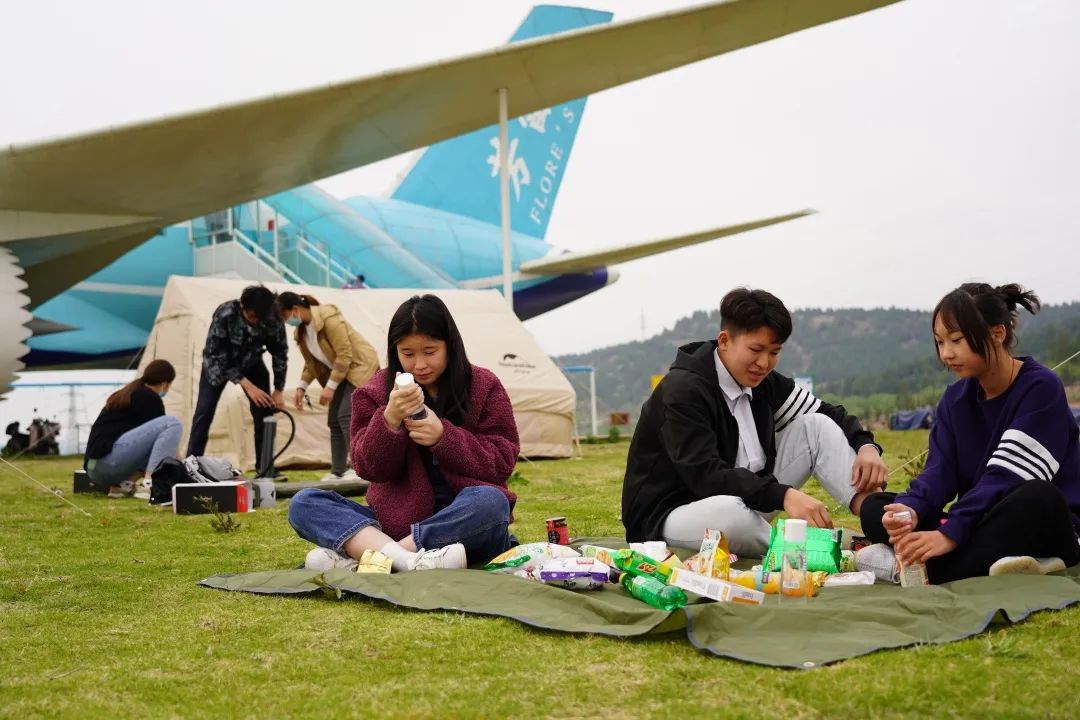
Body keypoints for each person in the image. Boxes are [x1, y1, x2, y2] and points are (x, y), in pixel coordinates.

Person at [622, 288, 888, 557]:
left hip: (746, 498)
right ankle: (815, 556)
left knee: (815, 427)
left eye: (774, 352)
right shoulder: (684, 391)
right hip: (672, 514)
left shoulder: (763, 382)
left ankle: (882, 520)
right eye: (756, 349)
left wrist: (866, 447)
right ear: (724, 341)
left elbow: (829, 413)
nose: (764, 363)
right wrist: (784, 495)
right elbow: (706, 476)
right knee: (728, 517)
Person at [859, 283, 1080, 583]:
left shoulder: (1040, 388)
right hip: (981, 518)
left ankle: (917, 569)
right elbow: (940, 472)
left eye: (957, 340)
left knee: (1038, 499)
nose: (947, 353)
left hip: (1045, 520)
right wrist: (910, 511)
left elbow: (1008, 477)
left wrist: (950, 532)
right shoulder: (955, 399)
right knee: (876, 509)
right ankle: (982, 557)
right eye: (940, 342)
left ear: (997, 334)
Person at [288, 294, 519, 572]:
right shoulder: (373, 393)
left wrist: (444, 438)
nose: (419, 364)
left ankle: (374, 557)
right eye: (407, 354)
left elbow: (503, 460)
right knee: (304, 503)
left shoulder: (483, 385)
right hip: (393, 521)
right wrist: (389, 420)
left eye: (430, 351)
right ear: (395, 350)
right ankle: (408, 561)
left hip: (462, 520)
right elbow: (367, 468)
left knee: (491, 503)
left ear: (450, 345)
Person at [277, 291, 379, 481]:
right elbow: (311, 364)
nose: (285, 322)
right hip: (342, 373)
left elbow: (345, 354)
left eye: (284, 316)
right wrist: (301, 386)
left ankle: (361, 468)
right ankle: (338, 471)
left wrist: (330, 387)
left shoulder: (329, 318)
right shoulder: (302, 332)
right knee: (333, 420)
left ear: (295, 310)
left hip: (359, 367)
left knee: (346, 414)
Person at [186, 285, 287, 458]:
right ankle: (191, 463)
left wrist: (278, 389)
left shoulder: (272, 318)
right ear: (242, 306)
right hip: (217, 365)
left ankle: (265, 466)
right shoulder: (225, 314)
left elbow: (279, 352)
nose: (255, 321)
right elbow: (216, 355)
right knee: (204, 411)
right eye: (252, 316)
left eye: (259, 318)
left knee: (264, 411)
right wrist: (248, 385)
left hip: (252, 362)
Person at [84, 359, 181, 499]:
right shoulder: (149, 397)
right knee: (173, 423)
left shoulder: (127, 393)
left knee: (156, 449)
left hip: (94, 470)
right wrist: (184, 465)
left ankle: (121, 487)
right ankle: (150, 485)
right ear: (165, 383)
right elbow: (168, 444)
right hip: (108, 462)